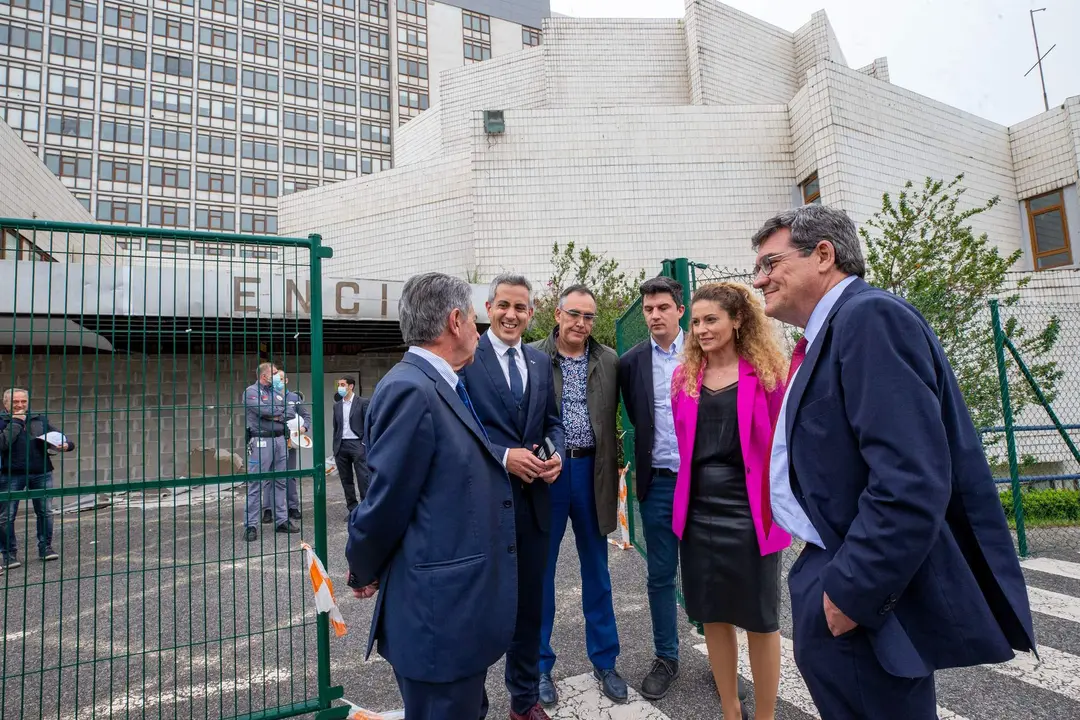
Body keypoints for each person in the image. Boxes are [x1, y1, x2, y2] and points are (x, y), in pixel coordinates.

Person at [751, 204, 1035, 719]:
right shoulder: (834, 329)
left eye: (770, 264)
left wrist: (850, 593)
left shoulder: (868, 318)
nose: (760, 280)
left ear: (823, 254)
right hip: (829, 563)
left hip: (855, 583)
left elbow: (910, 480)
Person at [345, 272, 517, 720]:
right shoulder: (411, 389)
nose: (481, 333)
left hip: (456, 612)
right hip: (439, 618)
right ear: (455, 321)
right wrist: (362, 566)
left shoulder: (438, 383)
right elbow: (384, 501)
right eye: (477, 321)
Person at [670, 283, 791, 720]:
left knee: (760, 619)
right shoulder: (683, 378)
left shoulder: (770, 376)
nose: (700, 329)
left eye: (710, 320)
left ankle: (765, 716)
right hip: (699, 510)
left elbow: (782, 447)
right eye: (696, 322)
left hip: (752, 511)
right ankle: (729, 710)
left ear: (738, 320)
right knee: (713, 616)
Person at [460, 273, 564, 720]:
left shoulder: (540, 363)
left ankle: (524, 702)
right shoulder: (467, 360)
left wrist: (555, 451)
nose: (511, 314)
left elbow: (553, 422)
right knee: (481, 611)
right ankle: (473, 704)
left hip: (535, 508)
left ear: (531, 313)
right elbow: (458, 431)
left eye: (520, 307)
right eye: (504, 305)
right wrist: (504, 456)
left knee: (528, 611)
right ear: (488, 309)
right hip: (484, 509)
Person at [531, 284, 626, 706]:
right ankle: (538, 667)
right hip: (547, 474)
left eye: (589, 317)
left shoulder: (608, 360)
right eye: (575, 315)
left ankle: (605, 662)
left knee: (598, 574)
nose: (582, 324)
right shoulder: (533, 356)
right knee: (540, 576)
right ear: (557, 314)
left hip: (593, 472)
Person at [616, 276, 686, 700]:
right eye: (648, 309)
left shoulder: (704, 350)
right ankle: (667, 657)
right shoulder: (631, 362)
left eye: (663, 307)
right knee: (661, 576)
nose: (655, 315)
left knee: (708, 575)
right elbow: (636, 418)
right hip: (658, 483)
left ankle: (722, 658)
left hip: (703, 485)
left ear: (681, 309)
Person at [0, 388, 74, 568]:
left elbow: (61, 438)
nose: (20, 405)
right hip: (11, 474)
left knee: (45, 512)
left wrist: (66, 445)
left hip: (41, 472)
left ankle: (46, 548)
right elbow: (2, 444)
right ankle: (9, 555)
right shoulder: (2, 421)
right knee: (6, 516)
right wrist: (16, 422)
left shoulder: (39, 419)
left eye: (23, 401)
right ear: (6, 404)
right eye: (15, 402)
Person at [243, 363, 299, 541]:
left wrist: (276, 415)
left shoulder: (277, 393)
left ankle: (281, 521)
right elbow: (262, 410)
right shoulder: (251, 391)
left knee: (281, 482)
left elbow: (290, 410)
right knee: (255, 484)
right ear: (264, 376)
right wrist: (276, 412)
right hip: (261, 441)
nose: (277, 376)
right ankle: (251, 525)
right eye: (274, 373)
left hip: (280, 440)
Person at [263, 370, 309, 523]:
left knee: (290, 476)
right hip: (271, 441)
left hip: (289, 443)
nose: (279, 381)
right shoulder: (266, 396)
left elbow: (305, 415)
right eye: (276, 378)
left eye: (281, 378)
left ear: (286, 380)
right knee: (269, 477)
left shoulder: (294, 398)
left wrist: (304, 428)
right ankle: (267, 509)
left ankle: (292, 507)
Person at [333, 375, 370, 521]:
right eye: (339, 385)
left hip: (357, 444)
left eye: (342, 384)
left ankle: (366, 510)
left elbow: (368, 424)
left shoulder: (362, 402)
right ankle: (353, 509)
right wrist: (335, 445)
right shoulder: (337, 405)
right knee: (346, 479)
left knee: (363, 478)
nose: (340, 387)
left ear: (351, 386)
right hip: (341, 445)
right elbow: (336, 427)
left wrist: (365, 442)